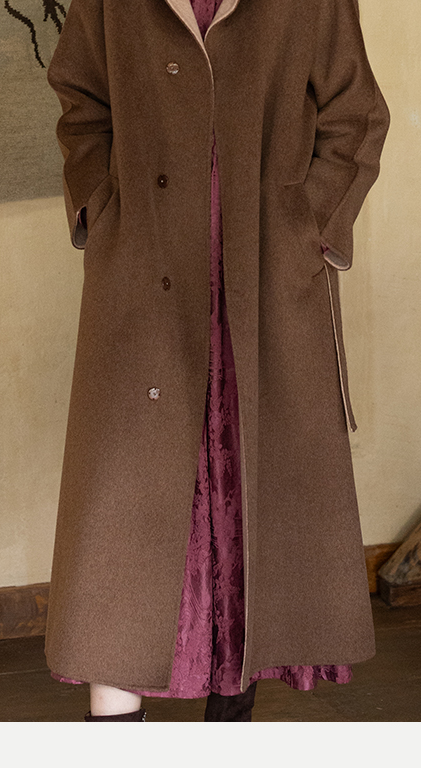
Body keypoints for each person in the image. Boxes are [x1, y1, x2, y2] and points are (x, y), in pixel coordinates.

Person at [44, 0, 390, 721]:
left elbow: (356, 115)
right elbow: (81, 97)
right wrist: (101, 209)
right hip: (143, 280)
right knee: (120, 529)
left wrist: (305, 227)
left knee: (244, 517)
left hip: (260, 287)